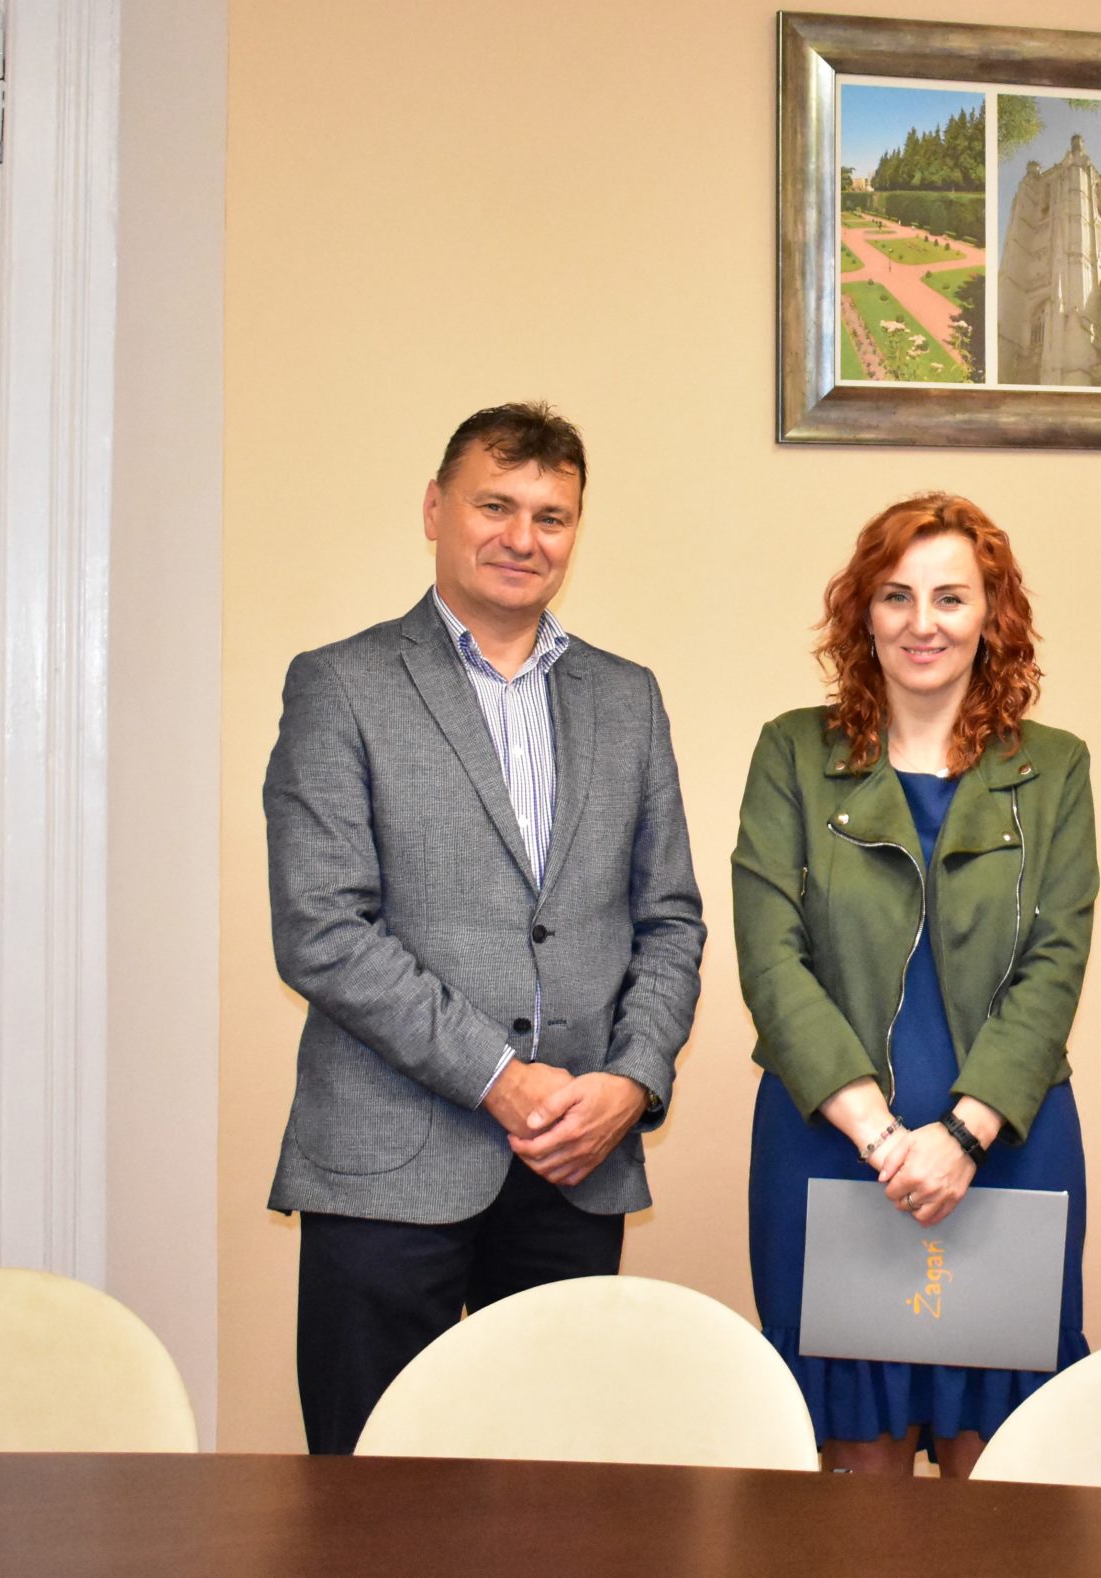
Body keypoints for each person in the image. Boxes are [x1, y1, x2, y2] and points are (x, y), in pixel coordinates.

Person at [263, 402, 705, 1455]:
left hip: (575, 1168)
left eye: (551, 516)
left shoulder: (627, 698)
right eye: (494, 506)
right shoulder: (341, 684)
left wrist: (632, 1081)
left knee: (558, 1495)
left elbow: (670, 920)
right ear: (435, 509)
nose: (522, 537)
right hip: (385, 1172)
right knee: (372, 1500)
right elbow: (323, 929)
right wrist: (499, 1078)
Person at [734, 493, 1097, 1477]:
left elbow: (1056, 962)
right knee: (859, 1501)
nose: (921, 623)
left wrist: (963, 1136)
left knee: (1001, 1486)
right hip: (833, 1141)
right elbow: (770, 959)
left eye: (950, 597)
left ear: (992, 614)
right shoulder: (792, 753)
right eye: (895, 595)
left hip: (1006, 1142)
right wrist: (885, 1140)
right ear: (863, 612)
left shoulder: (1054, 769)